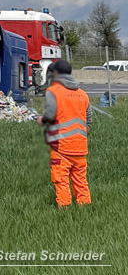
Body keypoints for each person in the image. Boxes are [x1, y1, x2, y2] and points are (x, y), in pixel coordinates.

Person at [40, 58, 92, 208]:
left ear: (56, 73)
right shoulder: (83, 94)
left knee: (60, 179)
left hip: (60, 146)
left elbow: (49, 116)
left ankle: (64, 209)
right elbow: (88, 121)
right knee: (80, 179)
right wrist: (80, 135)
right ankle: (85, 207)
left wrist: (40, 120)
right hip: (80, 146)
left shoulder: (53, 92)